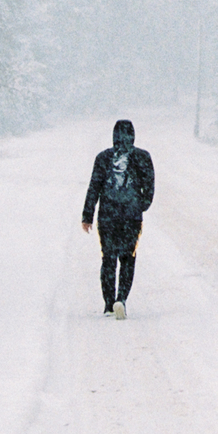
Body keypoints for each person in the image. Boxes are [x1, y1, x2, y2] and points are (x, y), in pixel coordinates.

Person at [81, 118, 155, 317]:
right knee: (128, 258)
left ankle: (108, 304)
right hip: (131, 217)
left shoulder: (103, 158)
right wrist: (141, 206)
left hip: (107, 216)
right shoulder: (143, 157)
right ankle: (121, 299)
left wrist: (87, 215)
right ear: (133, 135)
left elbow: (94, 187)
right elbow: (149, 188)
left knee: (108, 258)